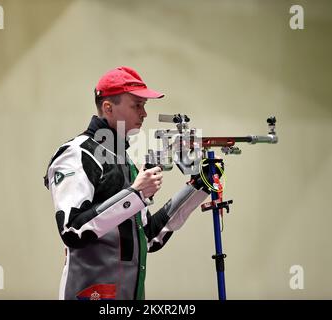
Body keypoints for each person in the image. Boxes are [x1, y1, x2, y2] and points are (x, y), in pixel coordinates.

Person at [44, 66, 216, 300]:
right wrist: (134, 193)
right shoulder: (76, 153)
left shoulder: (125, 161)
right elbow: (72, 230)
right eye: (137, 105)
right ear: (108, 108)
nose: (144, 113)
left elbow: (148, 238)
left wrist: (197, 187)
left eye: (144, 105)